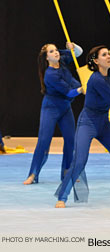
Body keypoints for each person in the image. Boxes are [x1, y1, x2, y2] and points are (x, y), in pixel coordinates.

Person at [54, 39, 110, 208]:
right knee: (80, 161)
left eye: (109, 53)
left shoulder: (109, 72)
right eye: (104, 55)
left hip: (104, 124)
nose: (109, 56)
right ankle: (62, 197)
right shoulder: (97, 80)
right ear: (96, 61)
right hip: (88, 123)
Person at [23, 42, 84, 185]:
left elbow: (78, 52)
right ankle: (33, 173)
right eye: (52, 51)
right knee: (44, 141)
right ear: (47, 58)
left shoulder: (62, 60)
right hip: (51, 108)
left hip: (65, 108)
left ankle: (67, 171)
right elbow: (69, 92)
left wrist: (73, 46)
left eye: (56, 50)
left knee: (70, 140)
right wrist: (82, 89)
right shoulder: (50, 75)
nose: (56, 52)